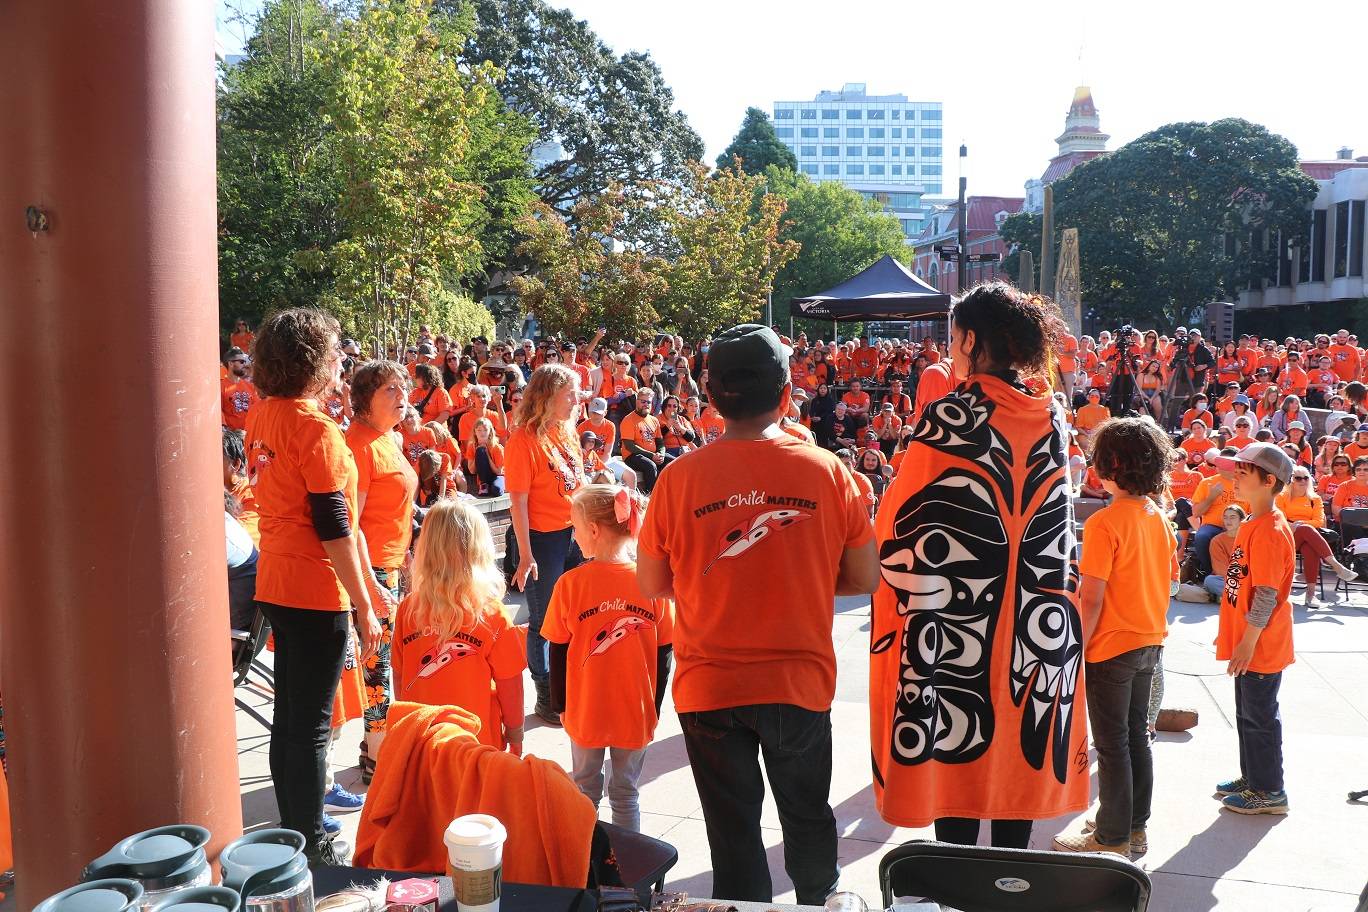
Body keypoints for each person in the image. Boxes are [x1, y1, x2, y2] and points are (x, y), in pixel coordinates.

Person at [637, 324, 878, 904]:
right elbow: (865, 578)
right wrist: (808, 575)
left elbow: (652, 584)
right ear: (787, 394)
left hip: (710, 685)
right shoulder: (827, 470)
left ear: (712, 397)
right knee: (807, 817)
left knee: (732, 835)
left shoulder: (677, 478)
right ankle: (821, 901)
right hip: (797, 683)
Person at [869, 283, 1088, 849]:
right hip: (1039, 624)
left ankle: (958, 889)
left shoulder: (951, 415)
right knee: (1021, 751)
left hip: (957, 621)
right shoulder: (1053, 417)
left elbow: (898, 520)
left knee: (955, 754)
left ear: (970, 339)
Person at [245, 308, 382, 865]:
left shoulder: (265, 415)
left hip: (276, 578)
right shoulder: (314, 428)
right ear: (315, 361)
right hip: (313, 586)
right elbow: (335, 529)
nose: (339, 361)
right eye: (333, 352)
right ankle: (310, 843)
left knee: (291, 718)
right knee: (311, 726)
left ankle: (294, 831)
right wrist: (364, 606)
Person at [1054, 417, 1174, 856]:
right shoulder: (1158, 517)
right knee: (1136, 737)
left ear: (1113, 464)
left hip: (1111, 645)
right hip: (1149, 640)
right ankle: (1134, 826)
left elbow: (1092, 599)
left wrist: (1076, 648)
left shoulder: (1105, 523)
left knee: (1112, 744)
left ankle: (1112, 835)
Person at [543, 484, 674, 832]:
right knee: (626, 794)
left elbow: (555, 651)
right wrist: (654, 706)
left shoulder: (570, 584)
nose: (573, 536)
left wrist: (561, 705)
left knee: (585, 790)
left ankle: (586, 865)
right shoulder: (651, 580)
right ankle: (629, 872)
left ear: (594, 531)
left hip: (586, 707)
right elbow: (666, 654)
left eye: (574, 527)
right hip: (634, 709)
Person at [391, 499, 526, 753]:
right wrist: (515, 733)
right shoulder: (492, 613)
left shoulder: (408, 610)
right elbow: (511, 685)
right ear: (479, 550)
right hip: (476, 744)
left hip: (424, 741)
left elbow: (401, 678)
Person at [1211, 443, 1296, 815]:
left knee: (1260, 718)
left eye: (1245, 471)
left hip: (1261, 644)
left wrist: (1246, 643)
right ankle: (1253, 779)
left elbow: (1265, 595)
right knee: (1247, 714)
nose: (1236, 476)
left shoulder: (1271, 530)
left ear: (1269, 481)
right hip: (1248, 642)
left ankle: (1270, 791)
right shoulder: (1250, 522)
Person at [346, 360, 417, 784]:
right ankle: (377, 754)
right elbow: (350, 521)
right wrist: (370, 586)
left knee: (385, 663)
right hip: (372, 571)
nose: (401, 395)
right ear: (364, 400)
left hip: (392, 566)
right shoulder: (357, 444)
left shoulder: (388, 438)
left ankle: (376, 745)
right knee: (377, 668)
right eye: (390, 389)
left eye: (403, 387)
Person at [506, 364, 586, 726]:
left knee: (572, 615)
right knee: (543, 621)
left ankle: (567, 683)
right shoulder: (523, 439)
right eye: (570, 393)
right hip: (541, 539)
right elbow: (518, 502)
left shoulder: (566, 431)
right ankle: (545, 694)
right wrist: (525, 554)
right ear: (548, 395)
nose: (577, 399)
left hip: (573, 534)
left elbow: (577, 486)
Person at [1276, 467, 1356, 605]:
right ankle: (1336, 566)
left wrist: (1299, 524)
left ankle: (1310, 594)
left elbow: (1319, 521)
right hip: (1286, 537)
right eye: (1298, 478)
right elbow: (1280, 519)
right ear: (1291, 481)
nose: (1303, 481)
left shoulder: (1315, 499)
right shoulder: (1281, 497)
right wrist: (1296, 526)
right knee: (1307, 530)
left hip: (1308, 536)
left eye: (1306, 478)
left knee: (1310, 548)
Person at [619, 388, 674, 493]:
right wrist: (652, 456)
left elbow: (660, 442)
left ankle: (670, 492)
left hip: (652, 454)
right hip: (632, 456)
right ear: (637, 401)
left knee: (673, 461)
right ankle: (650, 496)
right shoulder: (628, 420)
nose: (646, 404)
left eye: (649, 402)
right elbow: (629, 446)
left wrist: (661, 453)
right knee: (650, 466)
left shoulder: (654, 420)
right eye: (643, 401)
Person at [464, 416, 506, 497]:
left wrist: (487, 454)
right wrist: (478, 453)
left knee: (496, 490)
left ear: (490, 432)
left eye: (485, 430)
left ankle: (495, 485)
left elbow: (498, 472)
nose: (482, 433)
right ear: (474, 432)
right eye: (479, 430)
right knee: (480, 450)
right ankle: (484, 484)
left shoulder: (497, 448)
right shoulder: (471, 446)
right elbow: (472, 471)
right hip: (483, 477)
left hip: (497, 475)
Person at [221, 347, 259, 432]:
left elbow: (257, 409)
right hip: (232, 438)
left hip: (249, 434)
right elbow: (218, 412)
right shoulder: (221, 386)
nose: (244, 365)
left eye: (245, 362)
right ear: (230, 364)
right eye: (241, 362)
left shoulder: (251, 386)